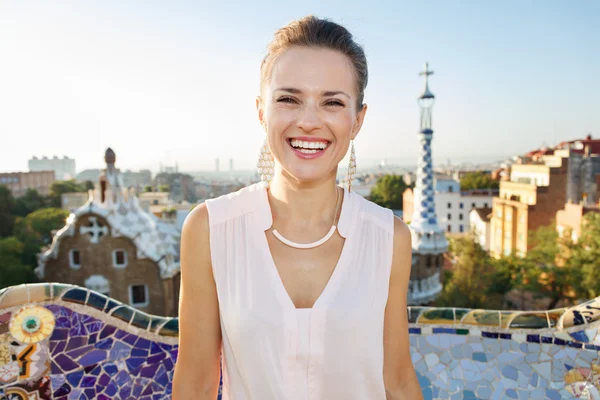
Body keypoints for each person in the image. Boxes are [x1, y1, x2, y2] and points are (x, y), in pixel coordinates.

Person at [173, 15, 422, 400]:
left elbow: (398, 380)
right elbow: (196, 382)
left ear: (357, 120)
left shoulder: (389, 238)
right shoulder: (209, 229)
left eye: (333, 102)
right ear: (261, 111)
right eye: (289, 99)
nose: (308, 121)